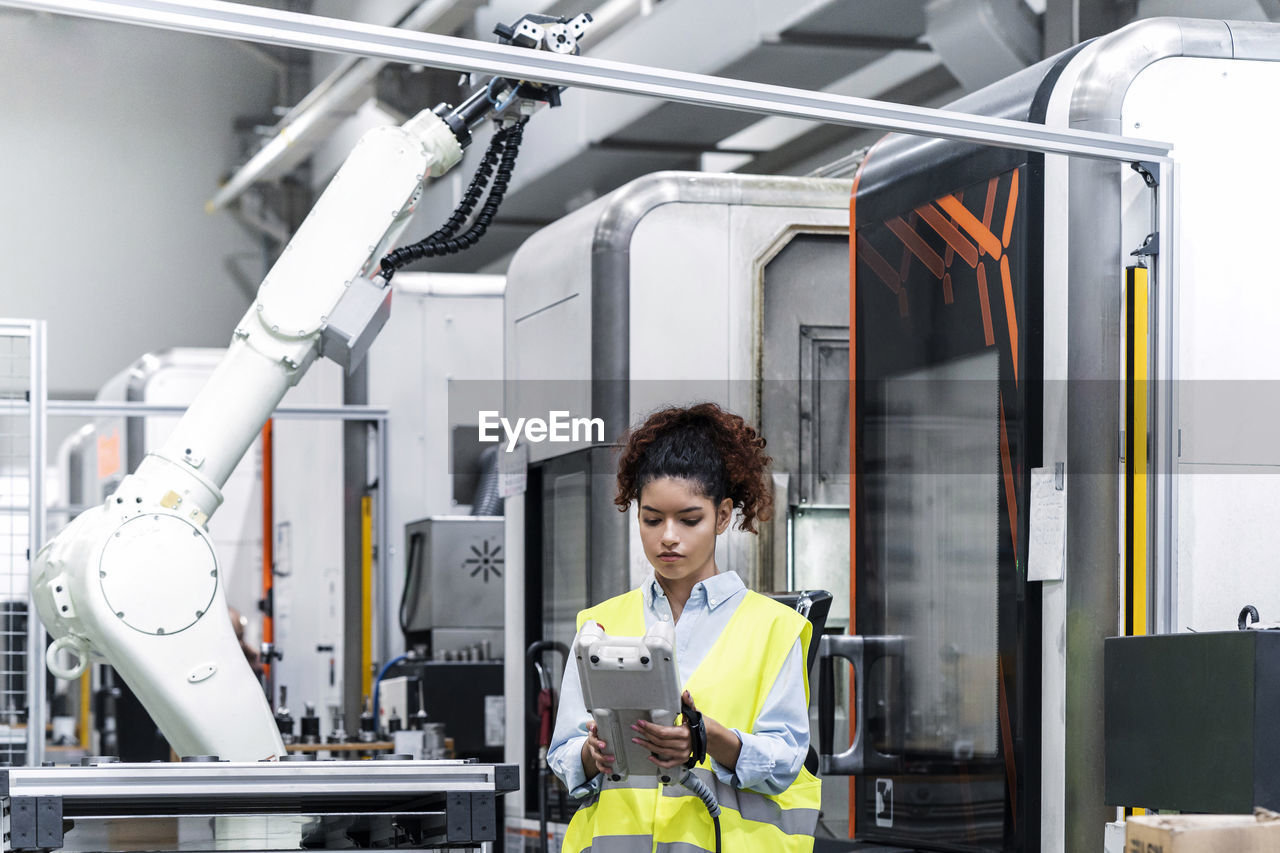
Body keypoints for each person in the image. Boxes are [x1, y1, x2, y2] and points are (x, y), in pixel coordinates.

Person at [547, 402, 821, 853]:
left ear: (724, 514)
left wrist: (706, 737)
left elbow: (785, 761)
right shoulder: (598, 625)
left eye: (689, 519)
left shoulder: (774, 629)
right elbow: (564, 757)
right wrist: (592, 756)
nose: (668, 536)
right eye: (652, 519)